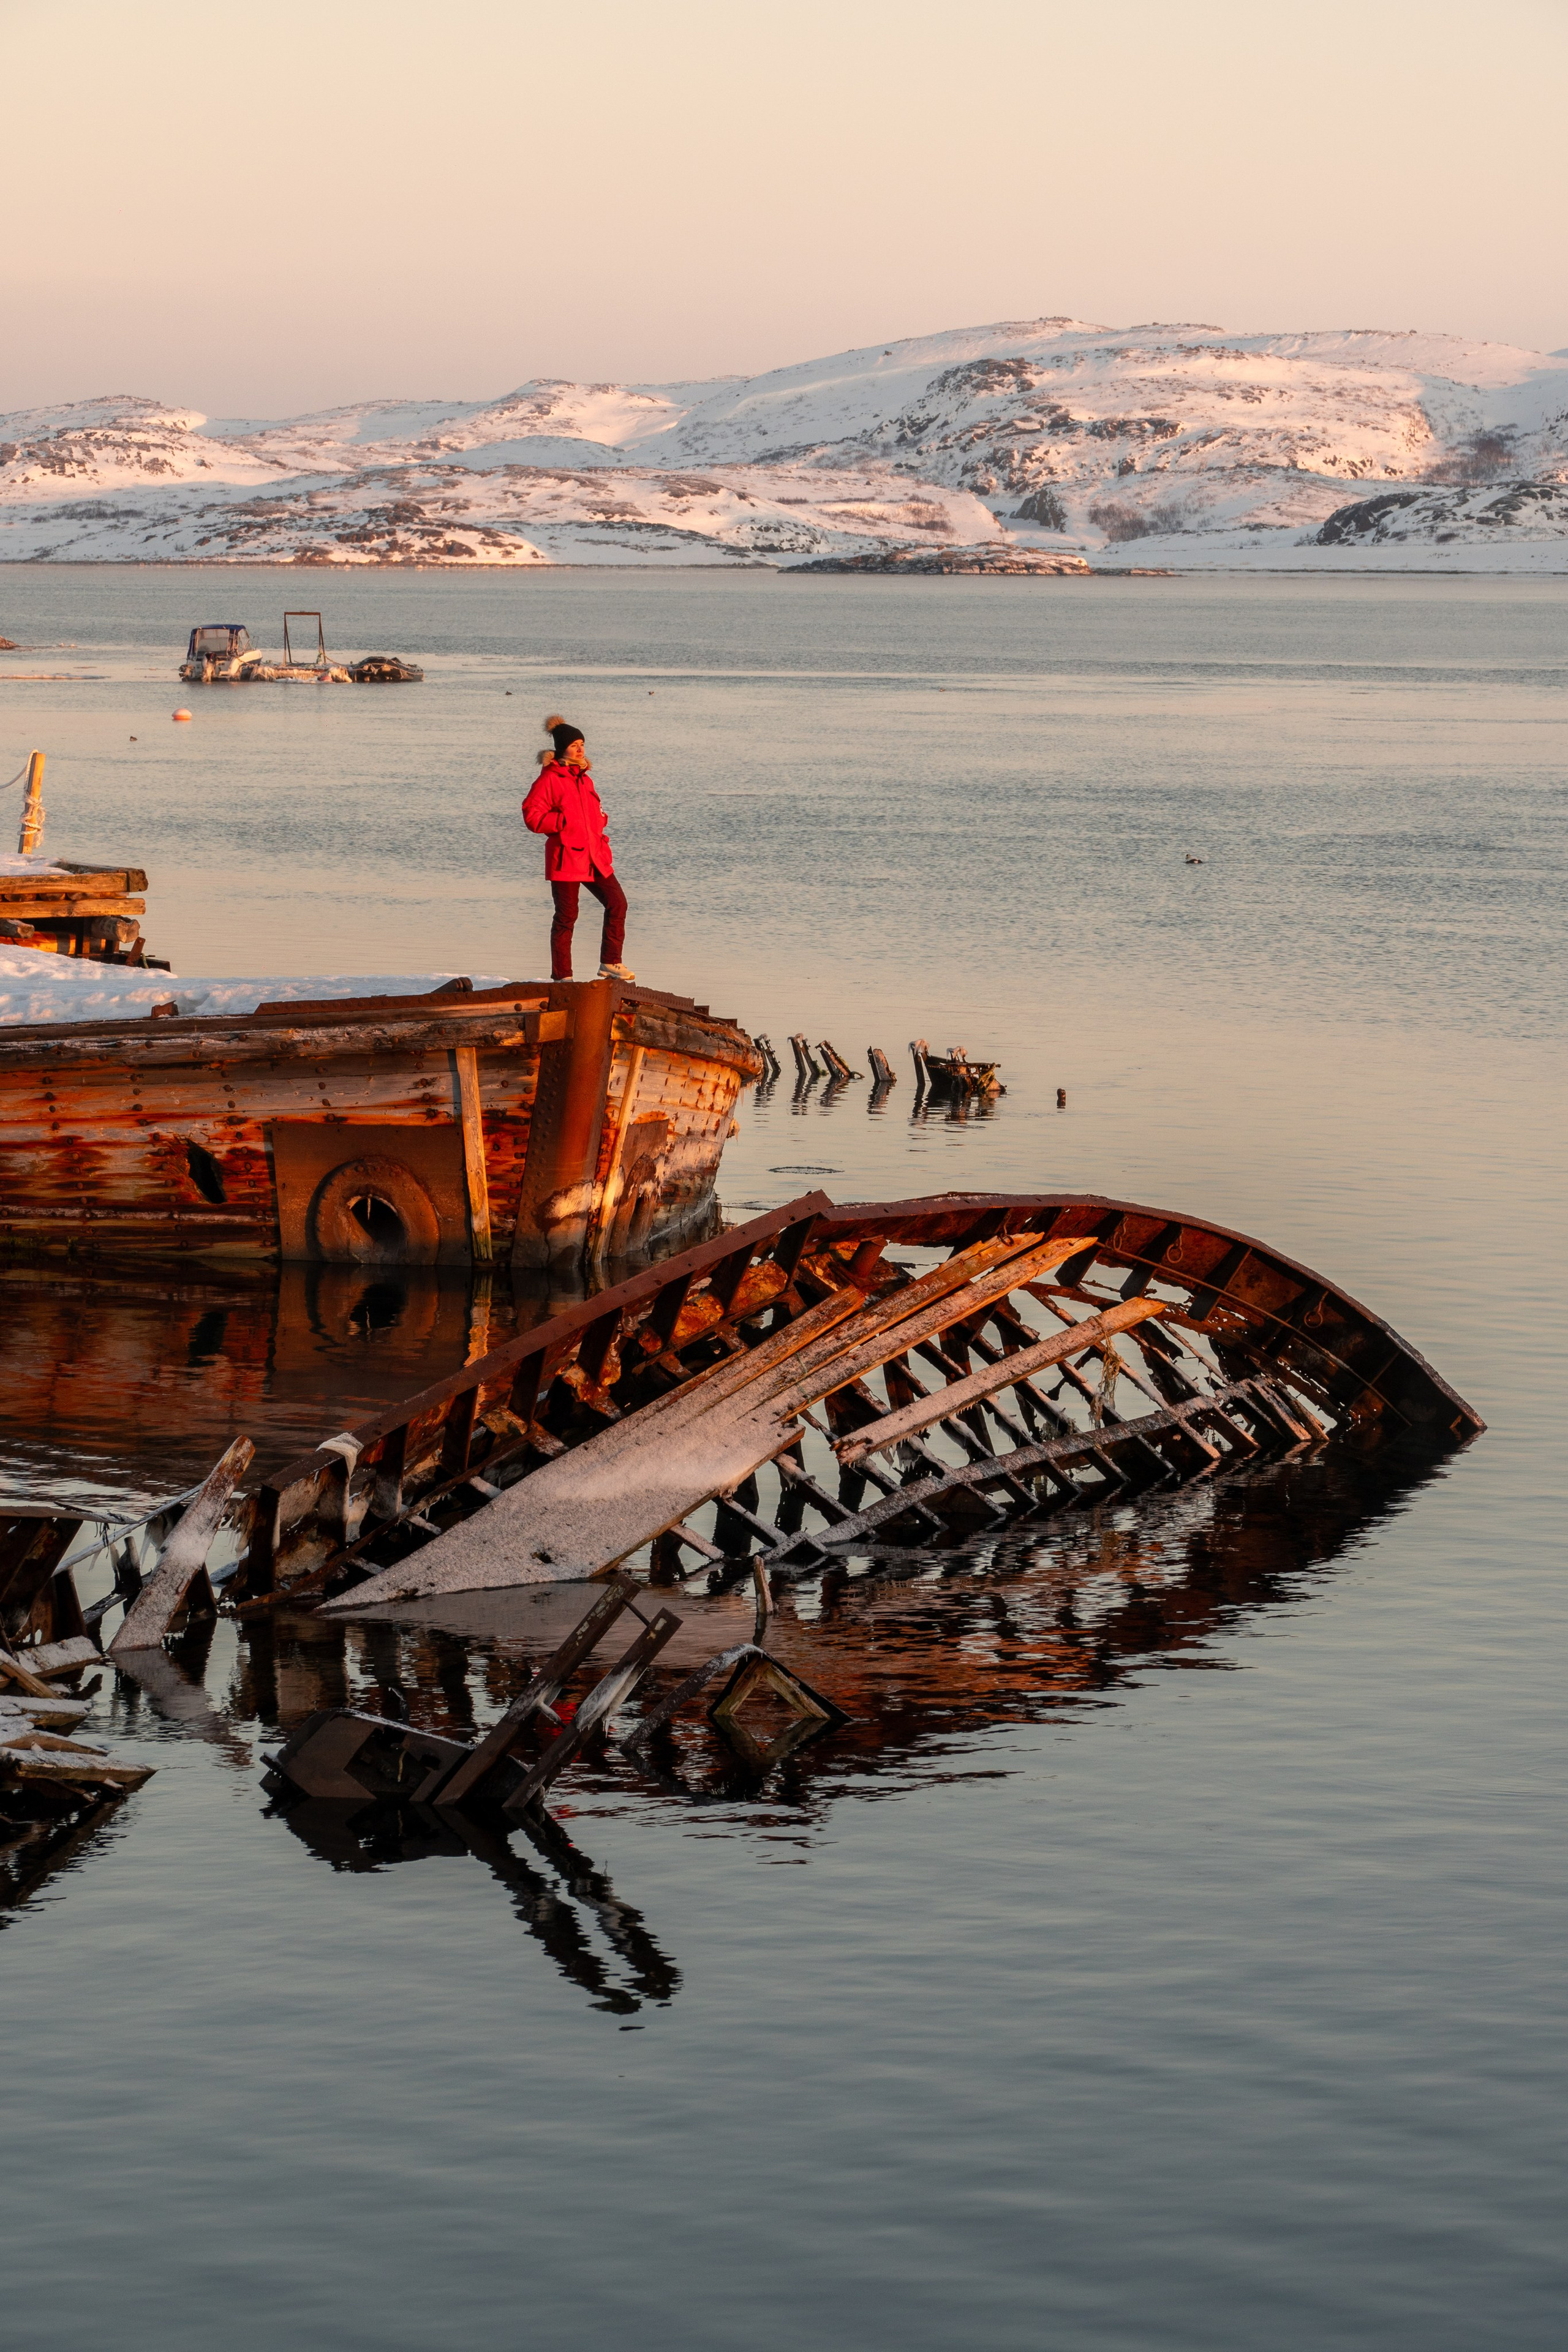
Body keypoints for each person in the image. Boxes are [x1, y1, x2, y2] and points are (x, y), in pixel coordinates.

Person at [521, 717, 633, 983]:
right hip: (566, 858)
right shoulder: (550, 779)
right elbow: (531, 815)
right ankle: (562, 977)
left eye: (582, 744)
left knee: (618, 903)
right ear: (562, 749)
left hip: (595, 856)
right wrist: (562, 822)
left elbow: (595, 810)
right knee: (567, 917)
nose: (581, 749)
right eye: (574, 745)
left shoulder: (585, 778)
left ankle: (611, 962)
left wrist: (602, 818)